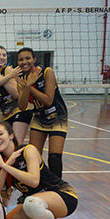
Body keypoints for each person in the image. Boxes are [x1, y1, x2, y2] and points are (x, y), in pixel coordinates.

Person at [0, 121, 77, 219]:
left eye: (0, 134)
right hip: (34, 201)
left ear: (11, 135)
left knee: (31, 203)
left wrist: (6, 166)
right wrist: (4, 167)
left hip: (62, 195)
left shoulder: (27, 150)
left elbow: (34, 181)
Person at [17, 47, 68, 178]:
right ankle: (39, 185)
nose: (24, 62)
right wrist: (27, 85)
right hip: (39, 117)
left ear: (34, 59)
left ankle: (57, 188)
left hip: (57, 116)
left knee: (54, 157)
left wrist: (30, 87)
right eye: (21, 59)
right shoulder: (21, 79)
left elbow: (48, 100)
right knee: (33, 156)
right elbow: (22, 106)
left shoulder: (47, 72)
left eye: (28, 58)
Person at [0, 45, 32, 144]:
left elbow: (16, 94)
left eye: (4, 55)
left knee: (16, 143)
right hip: (7, 113)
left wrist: (0, 78)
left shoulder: (8, 70)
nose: (1, 57)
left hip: (19, 111)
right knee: (8, 144)